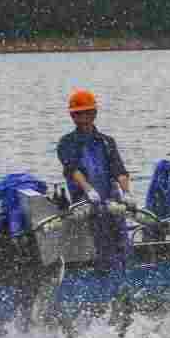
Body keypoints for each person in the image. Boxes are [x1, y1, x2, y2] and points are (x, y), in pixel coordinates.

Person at [58, 88, 135, 270]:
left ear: (94, 113)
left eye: (87, 113)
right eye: (78, 114)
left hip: (112, 199)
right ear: (72, 116)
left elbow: (119, 170)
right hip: (86, 202)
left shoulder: (106, 142)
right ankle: (103, 275)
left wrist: (127, 193)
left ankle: (124, 273)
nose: (83, 117)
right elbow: (72, 169)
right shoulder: (66, 143)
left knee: (122, 242)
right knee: (100, 244)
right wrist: (88, 189)